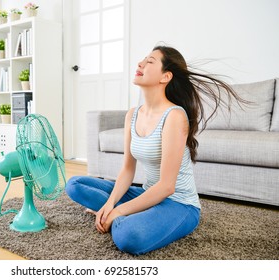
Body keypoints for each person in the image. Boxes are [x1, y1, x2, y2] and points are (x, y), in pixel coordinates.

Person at [65, 45, 245, 255]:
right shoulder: (132, 114)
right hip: (147, 194)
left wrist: (118, 211)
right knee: (75, 185)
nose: (140, 64)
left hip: (178, 204)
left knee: (128, 236)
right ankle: (123, 213)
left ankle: (122, 217)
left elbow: (167, 187)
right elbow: (127, 170)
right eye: (143, 60)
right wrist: (112, 202)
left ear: (165, 76)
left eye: (149, 62)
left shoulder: (174, 116)